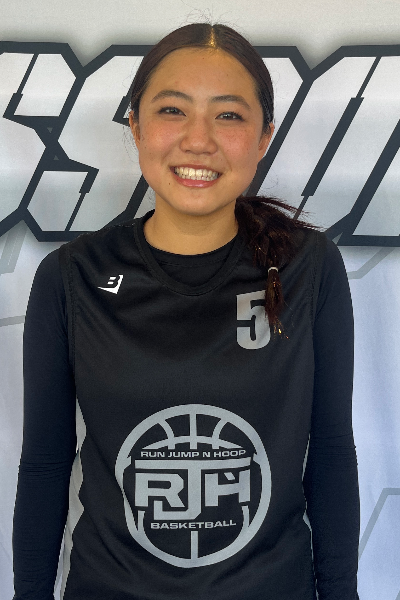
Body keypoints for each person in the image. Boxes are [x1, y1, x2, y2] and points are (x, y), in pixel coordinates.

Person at [12, 23, 360, 600]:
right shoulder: (72, 278)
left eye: (228, 115)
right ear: (135, 125)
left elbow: (330, 455)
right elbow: (45, 466)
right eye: (173, 110)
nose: (199, 140)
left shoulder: (309, 267)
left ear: (264, 137)